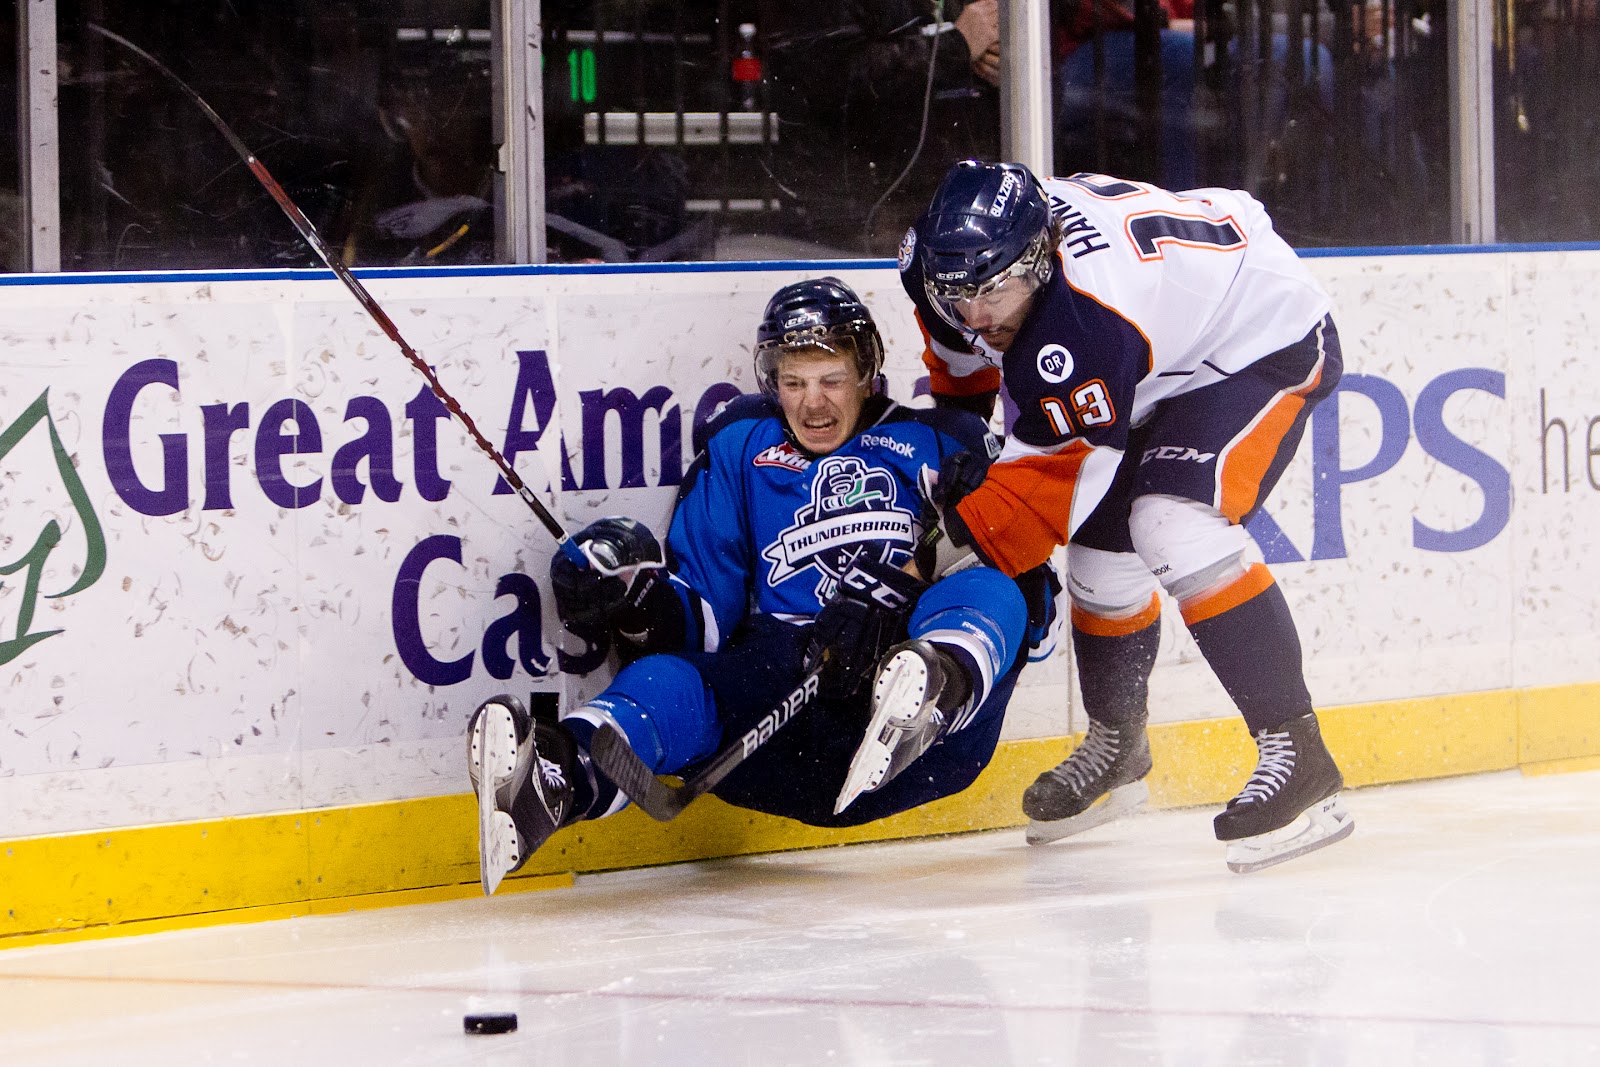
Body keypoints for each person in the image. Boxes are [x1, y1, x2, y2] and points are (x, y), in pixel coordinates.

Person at [468, 277, 1042, 894]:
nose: (812, 404)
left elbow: (1037, 618)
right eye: (794, 383)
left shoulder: (943, 442)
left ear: (869, 372)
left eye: (831, 380)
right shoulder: (742, 444)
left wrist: (980, 540)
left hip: (931, 743)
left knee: (994, 588)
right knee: (673, 681)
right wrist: (637, 601)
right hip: (787, 703)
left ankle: (926, 694)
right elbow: (703, 622)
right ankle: (558, 779)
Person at [899, 159, 1353, 873]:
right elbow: (962, 361)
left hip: (1258, 337)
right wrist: (962, 443)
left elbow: (1039, 495)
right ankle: (1120, 744)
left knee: (1172, 522)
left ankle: (1302, 759)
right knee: (1100, 553)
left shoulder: (1084, 315)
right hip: (1158, 349)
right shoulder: (944, 268)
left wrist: (917, 565)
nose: (977, 313)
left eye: (996, 291)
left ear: (1041, 255)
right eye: (958, 294)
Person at [763, 1, 1003, 255]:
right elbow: (835, 79)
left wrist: (1005, 70)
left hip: (955, 208)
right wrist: (955, 46)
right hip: (852, 220)